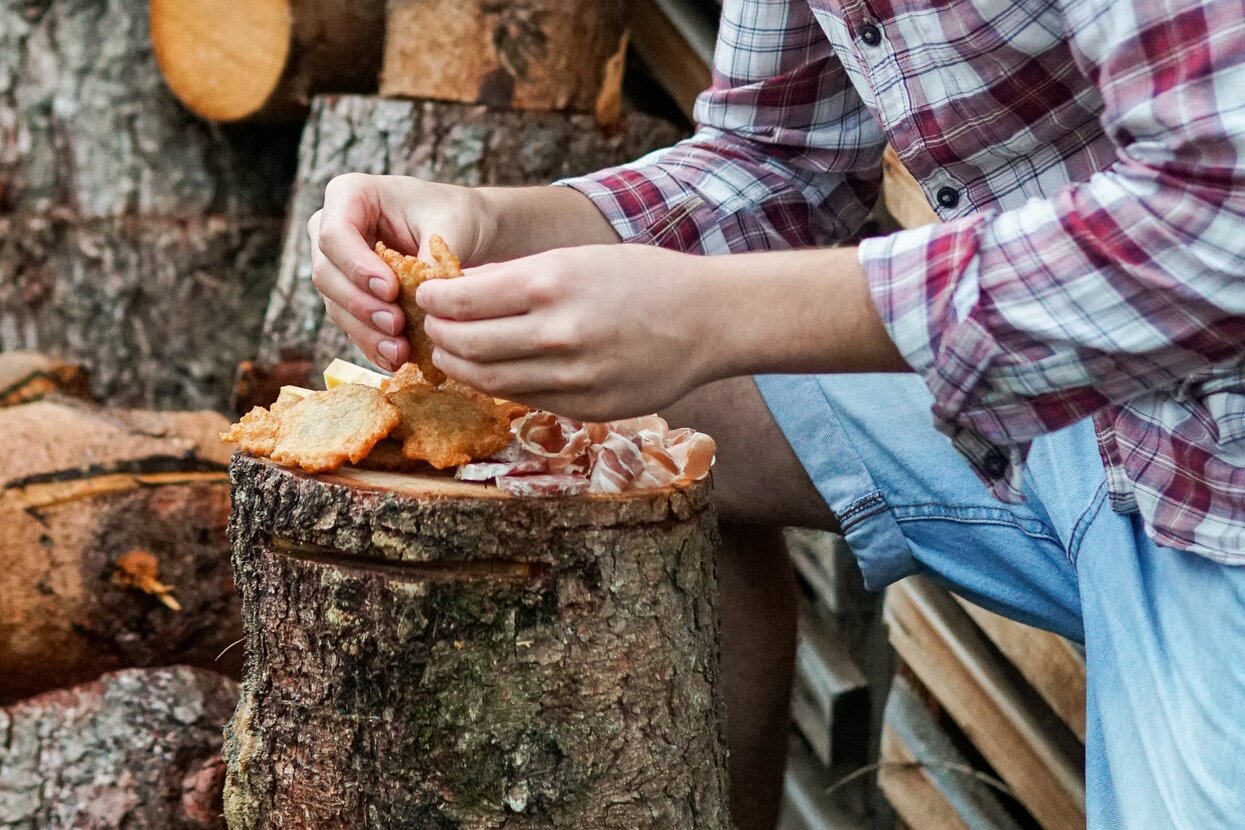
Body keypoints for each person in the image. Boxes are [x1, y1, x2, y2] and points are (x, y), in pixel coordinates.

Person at [307, 0, 1245, 827]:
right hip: (1080, 413)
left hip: (1219, 474)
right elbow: (780, 158)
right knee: (602, 436)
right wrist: (486, 221)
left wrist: (712, 315)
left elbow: (1215, 223)